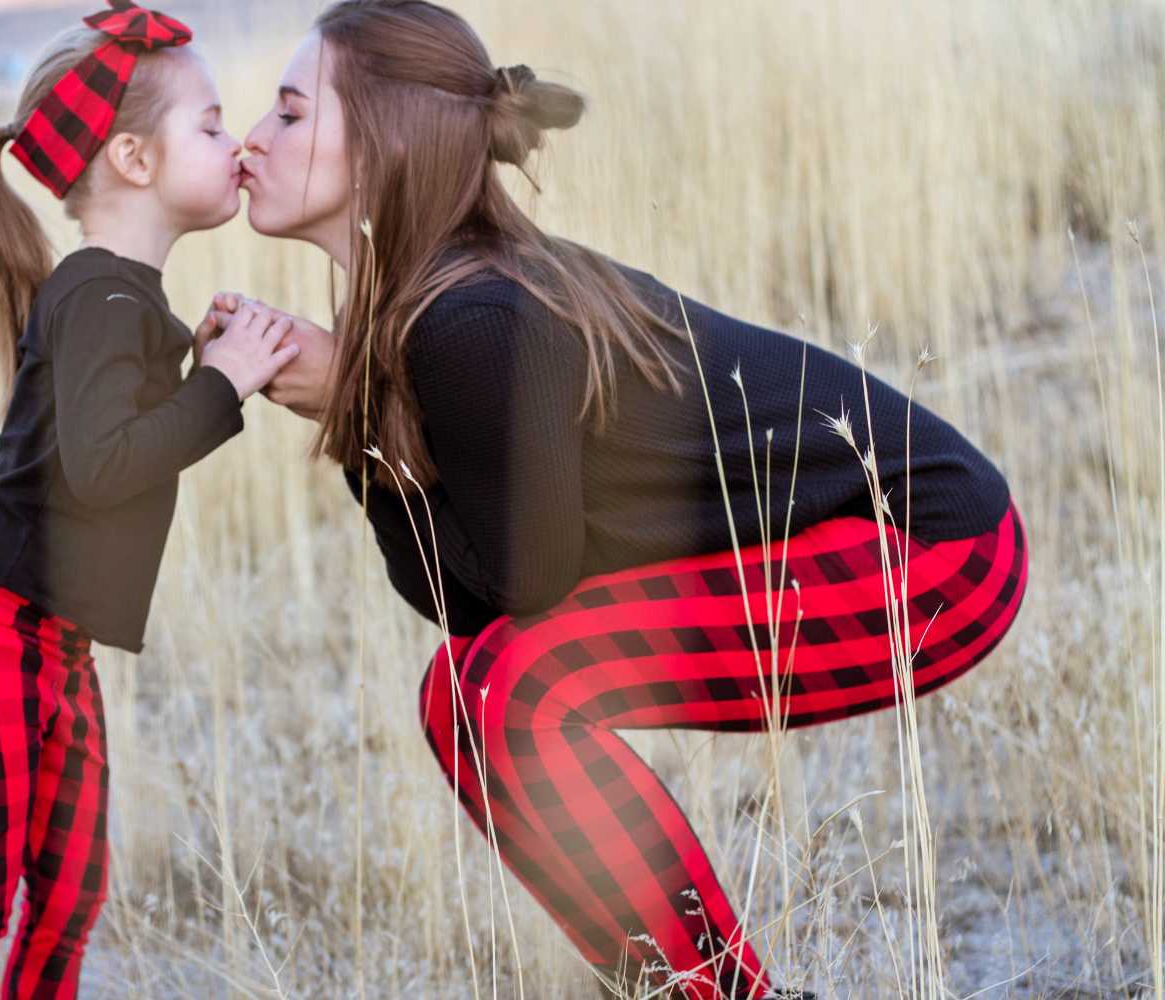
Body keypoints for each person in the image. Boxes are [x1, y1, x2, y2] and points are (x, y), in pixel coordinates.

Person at [208, 1, 1030, 996]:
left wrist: (358, 407)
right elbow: (467, 603)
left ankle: (718, 993)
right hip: (877, 545)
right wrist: (361, 404)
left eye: (291, 112)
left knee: (507, 696)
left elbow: (519, 590)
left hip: (929, 553)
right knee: (469, 691)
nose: (254, 136)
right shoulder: (439, 299)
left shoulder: (473, 319)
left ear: (390, 142)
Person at [0, 3, 299, 996]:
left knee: (70, 895)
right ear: (133, 158)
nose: (236, 142)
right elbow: (107, 465)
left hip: (53, 638)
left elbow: (110, 448)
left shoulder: (119, 298)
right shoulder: (99, 294)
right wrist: (222, 385)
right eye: (210, 124)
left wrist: (198, 368)